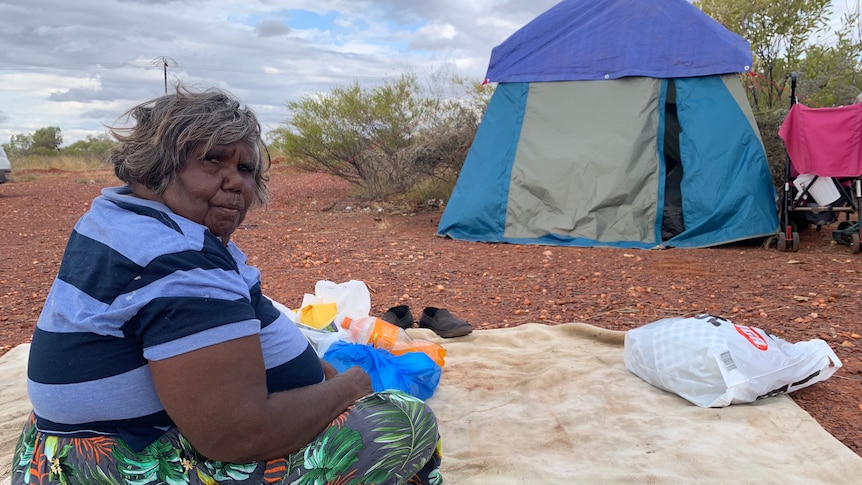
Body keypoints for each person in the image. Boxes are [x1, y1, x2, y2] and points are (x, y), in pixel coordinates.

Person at [10, 86, 442, 485]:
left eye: (246, 168)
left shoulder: (118, 218)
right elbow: (235, 435)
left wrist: (323, 379)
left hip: (51, 457)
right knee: (402, 421)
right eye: (213, 160)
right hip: (126, 466)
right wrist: (349, 386)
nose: (235, 181)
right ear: (157, 164)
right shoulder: (176, 259)